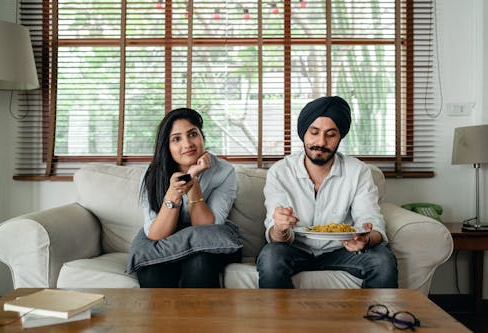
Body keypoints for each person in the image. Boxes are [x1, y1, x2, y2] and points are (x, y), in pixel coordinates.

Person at [256, 96, 398, 289]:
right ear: (303, 133)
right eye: (314, 133)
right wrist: (280, 228)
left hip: (342, 250)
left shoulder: (358, 171)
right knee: (271, 255)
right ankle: (280, 320)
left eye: (330, 135)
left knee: (382, 259)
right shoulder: (280, 172)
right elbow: (274, 234)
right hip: (294, 249)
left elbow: (372, 220)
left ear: (340, 137)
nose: (321, 142)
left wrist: (366, 239)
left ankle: (377, 317)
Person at [130, 107, 241, 288]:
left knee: (199, 263)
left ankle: (199, 317)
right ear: (167, 145)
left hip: (208, 243)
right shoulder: (152, 175)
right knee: (151, 269)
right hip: (166, 240)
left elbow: (206, 229)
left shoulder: (224, 171)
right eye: (176, 139)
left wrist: (193, 181)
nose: (187, 144)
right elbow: (156, 234)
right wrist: (174, 192)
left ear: (202, 136)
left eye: (192, 134)